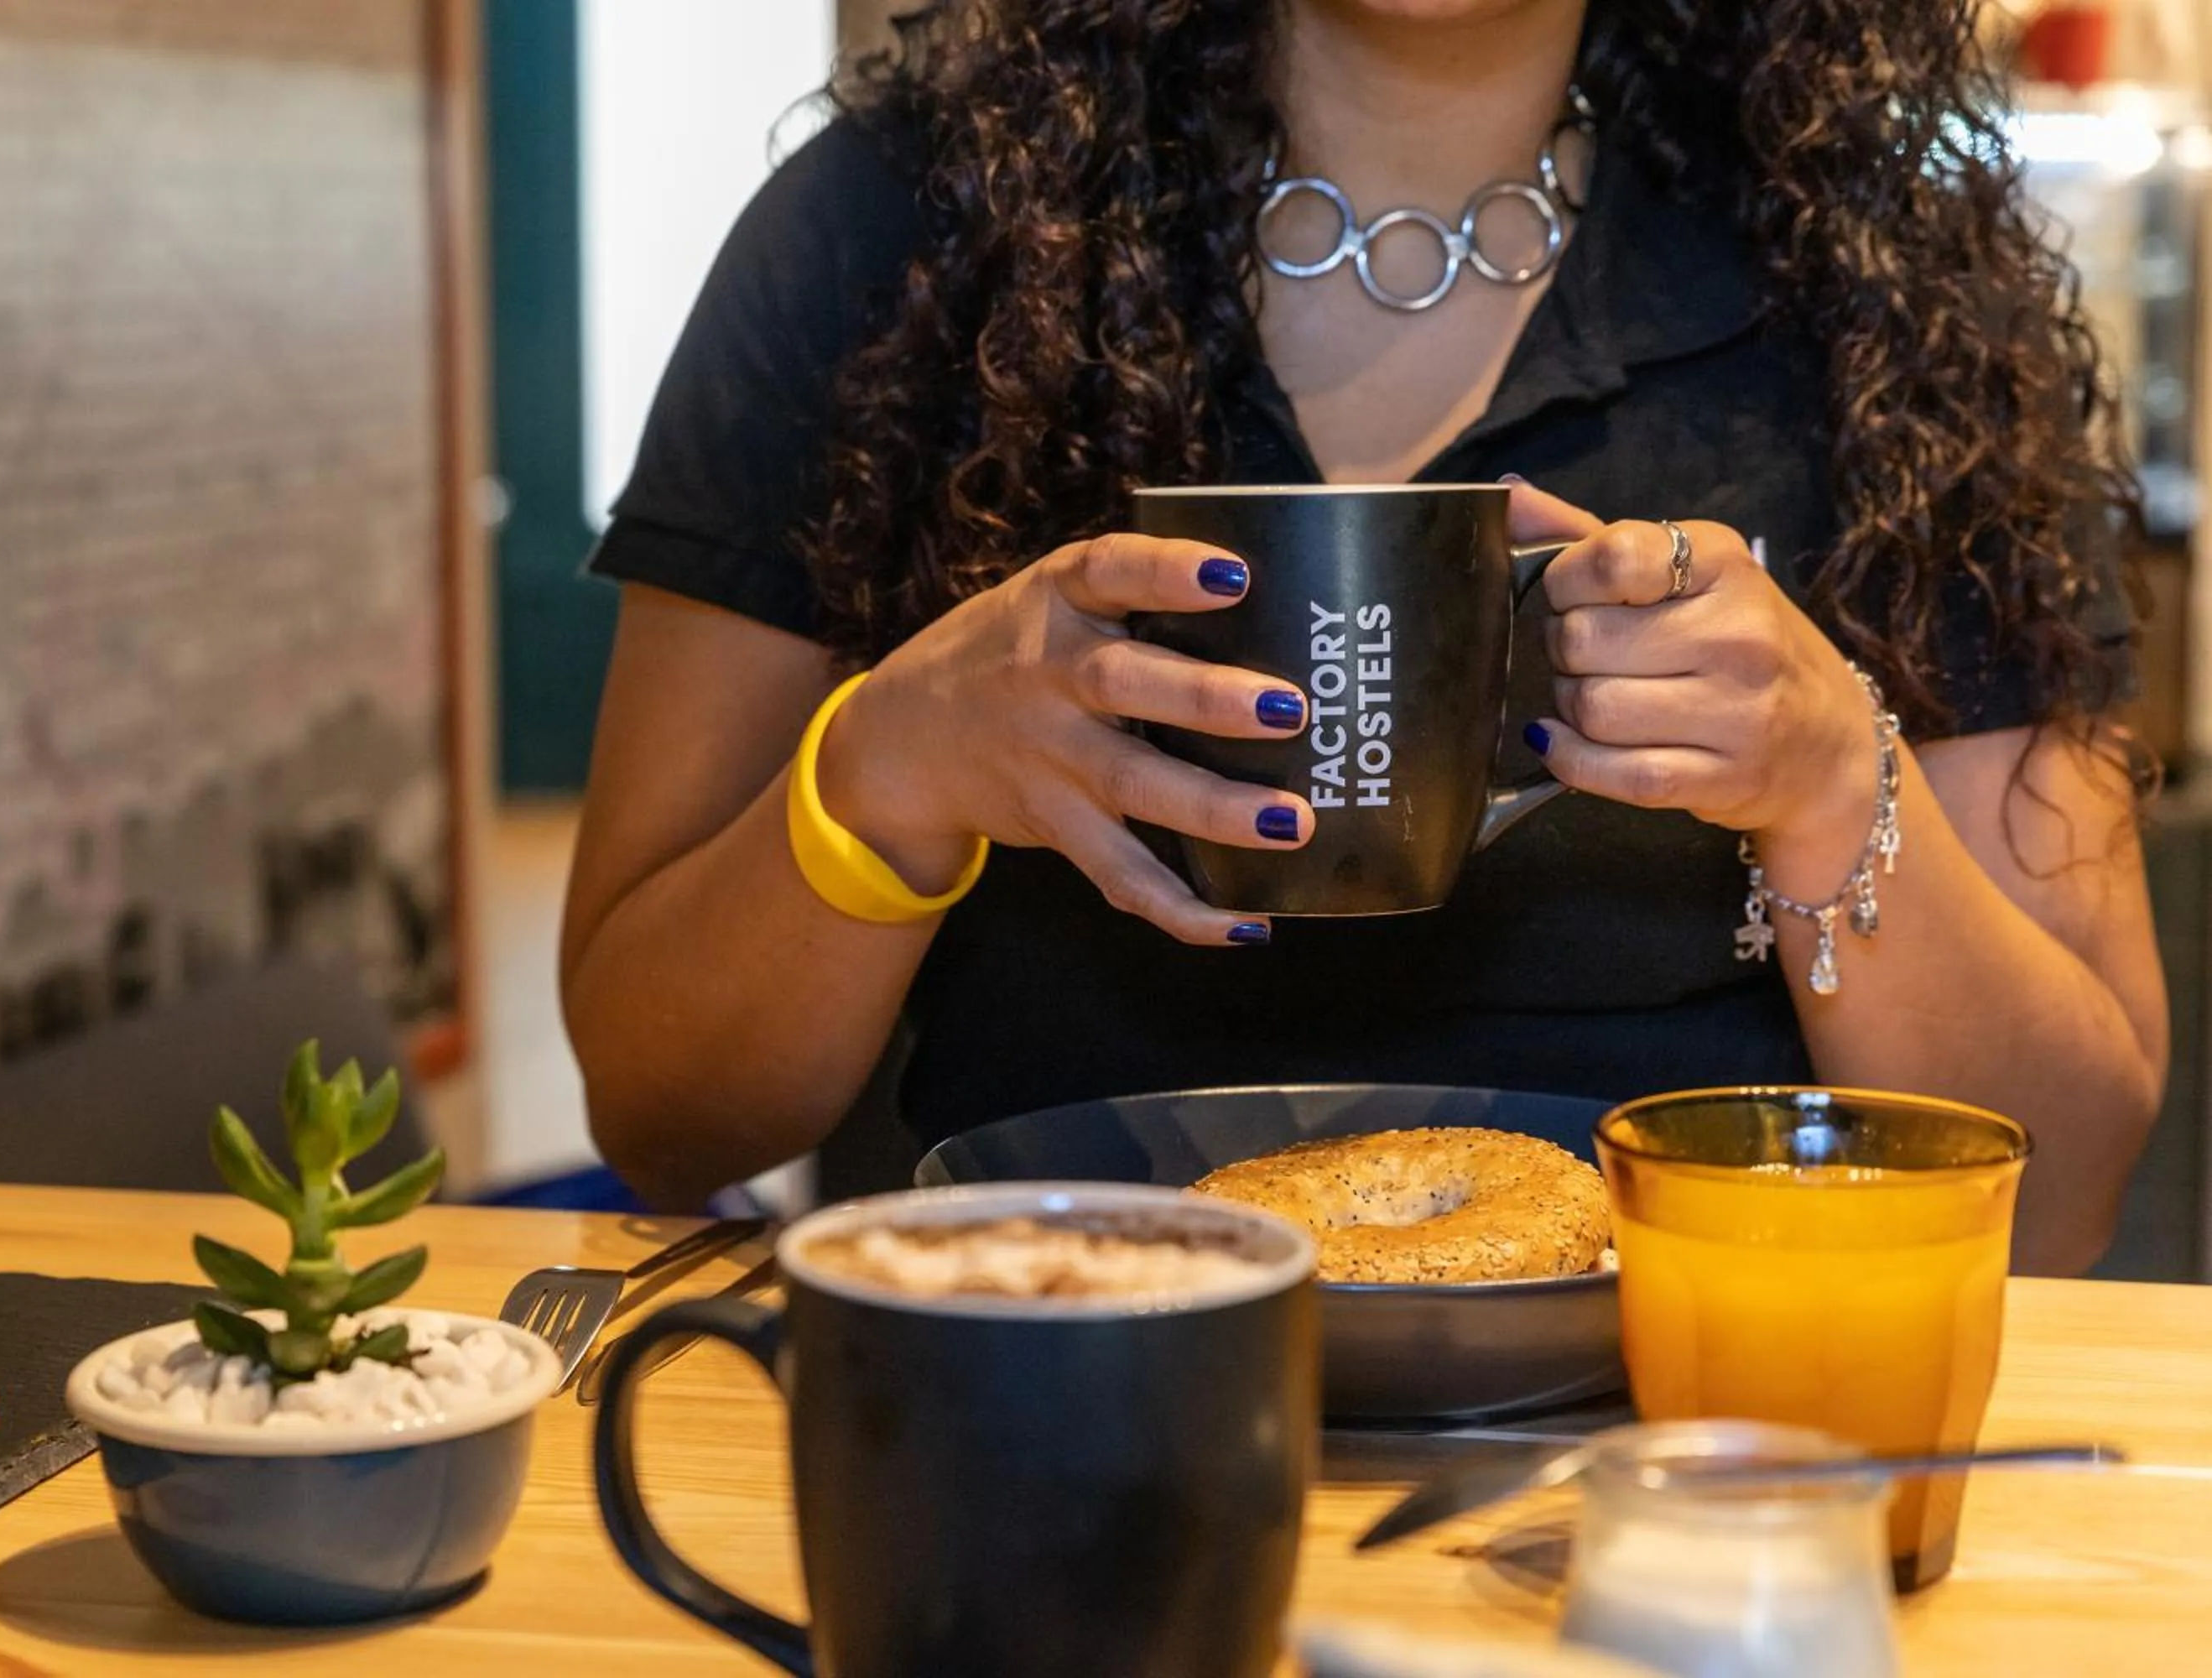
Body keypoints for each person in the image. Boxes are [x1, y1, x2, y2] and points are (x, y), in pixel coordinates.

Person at [560, 0, 2168, 1273]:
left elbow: (2065, 1191)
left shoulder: (1895, 287)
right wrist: (883, 778)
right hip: (1048, 1378)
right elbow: (665, 1109)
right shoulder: (887, 235)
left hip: (1690, 1431)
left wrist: (1834, 782)